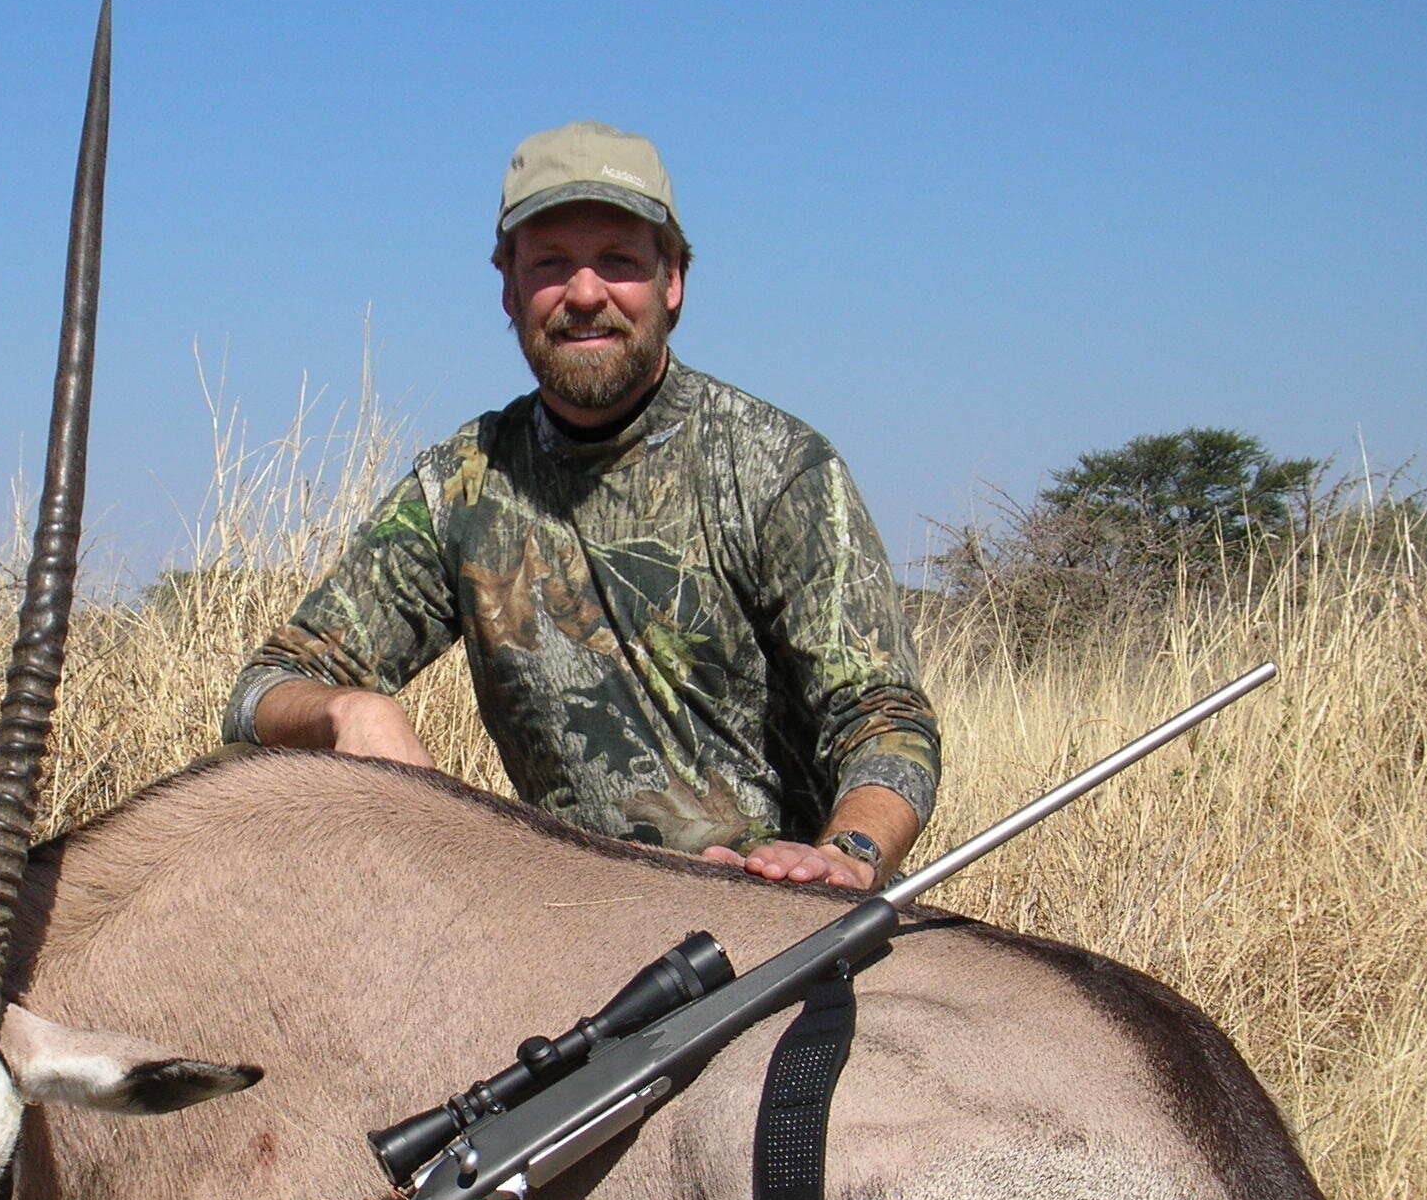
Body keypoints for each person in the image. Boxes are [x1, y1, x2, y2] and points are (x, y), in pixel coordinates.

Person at [221, 122, 938, 890]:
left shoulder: (778, 466)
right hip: (571, 928)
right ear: (509, 287)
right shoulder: (461, 483)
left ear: (672, 283)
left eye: (620, 263)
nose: (585, 293)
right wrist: (351, 712)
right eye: (551, 264)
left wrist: (848, 854)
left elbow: (884, 716)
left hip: (776, 910)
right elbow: (264, 689)